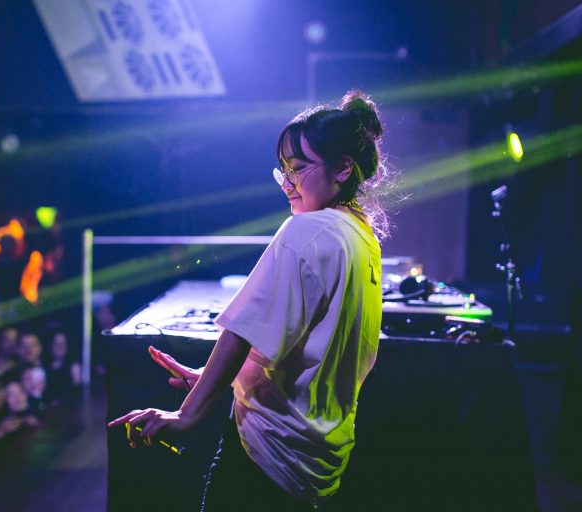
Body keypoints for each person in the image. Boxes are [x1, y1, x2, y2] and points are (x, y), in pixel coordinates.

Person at [109, 90, 390, 510]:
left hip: (267, 453)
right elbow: (296, 349)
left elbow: (242, 333)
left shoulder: (306, 232)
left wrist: (186, 414)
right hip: (316, 463)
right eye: (283, 171)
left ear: (343, 168)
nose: (288, 184)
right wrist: (214, 376)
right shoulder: (362, 237)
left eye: (298, 169)